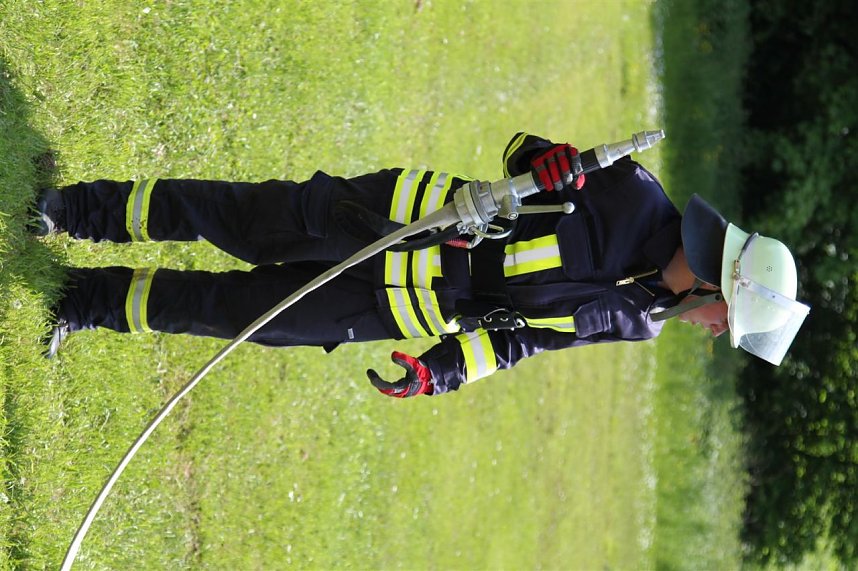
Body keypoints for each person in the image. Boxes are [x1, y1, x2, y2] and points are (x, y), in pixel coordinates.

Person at [33, 133, 809, 397]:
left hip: (394, 310)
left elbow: (522, 340)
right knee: (237, 222)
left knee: (234, 316)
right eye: (726, 322)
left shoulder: (637, 320)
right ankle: (73, 212)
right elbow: (524, 159)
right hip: (401, 220)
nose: (713, 331)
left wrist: (440, 371)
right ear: (716, 280)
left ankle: (82, 300)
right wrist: (551, 162)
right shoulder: (634, 194)